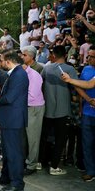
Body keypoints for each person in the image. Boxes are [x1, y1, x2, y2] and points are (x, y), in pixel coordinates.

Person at [0, 50, 29, 191]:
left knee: (14, 153)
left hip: (14, 120)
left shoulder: (19, 75)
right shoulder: (13, 74)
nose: (0, 63)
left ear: (8, 61)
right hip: (8, 120)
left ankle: (17, 184)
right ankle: (5, 177)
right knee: (7, 151)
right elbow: (5, 92)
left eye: (1, 60)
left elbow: (9, 98)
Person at [39, 45, 78, 175]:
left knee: (43, 137)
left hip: (47, 109)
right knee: (60, 139)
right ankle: (54, 166)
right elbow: (75, 88)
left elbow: (40, 84)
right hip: (63, 110)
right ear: (65, 55)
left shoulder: (46, 68)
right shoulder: (70, 69)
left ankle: (39, 162)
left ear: (53, 55)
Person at [62, 45, 95, 182]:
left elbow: (88, 84)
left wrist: (69, 79)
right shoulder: (86, 69)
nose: (89, 59)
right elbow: (80, 85)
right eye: (89, 56)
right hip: (87, 113)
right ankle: (90, 171)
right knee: (87, 144)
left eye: (92, 57)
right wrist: (86, 102)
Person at [21, 63, 45, 176]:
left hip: (33, 107)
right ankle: (26, 161)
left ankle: (32, 165)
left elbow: (32, 96)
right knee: (25, 137)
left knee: (33, 138)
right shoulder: (22, 73)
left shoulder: (34, 75)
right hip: (25, 107)